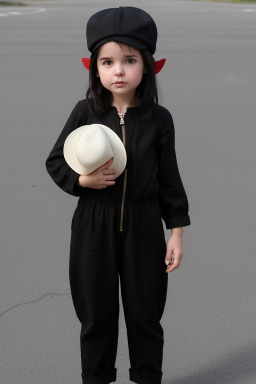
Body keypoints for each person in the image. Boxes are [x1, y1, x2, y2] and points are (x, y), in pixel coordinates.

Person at [45, 6, 191, 384]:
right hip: (94, 225)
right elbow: (56, 161)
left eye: (130, 60)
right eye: (108, 61)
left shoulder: (159, 119)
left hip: (144, 226)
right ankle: (96, 378)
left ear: (148, 66)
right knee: (96, 314)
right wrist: (82, 182)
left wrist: (175, 231)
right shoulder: (85, 113)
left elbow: (169, 179)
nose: (119, 70)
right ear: (94, 67)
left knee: (145, 314)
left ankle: (147, 377)